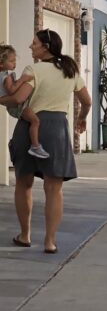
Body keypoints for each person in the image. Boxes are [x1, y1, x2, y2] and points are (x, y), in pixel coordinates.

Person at [0, 31, 91, 254]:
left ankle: (25, 235)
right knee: (54, 188)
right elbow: (86, 101)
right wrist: (82, 118)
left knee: (24, 183)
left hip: (30, 126)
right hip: (58, 129)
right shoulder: (71, 71)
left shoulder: (33, 70)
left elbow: (19, 99)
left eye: (34, 44)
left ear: (45, 47)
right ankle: (50, 241)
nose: (31, 47)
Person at [1, 45, 49, 159]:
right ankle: (35, 146)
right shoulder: (5, 77)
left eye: (15, 60)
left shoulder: (3, 75)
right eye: (11, 61)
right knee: (35, 121)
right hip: (16, 106)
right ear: (1, 64)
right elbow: (12, 90)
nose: (14, 63)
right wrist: (23, 79)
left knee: (33, 120)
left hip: (14, 106)